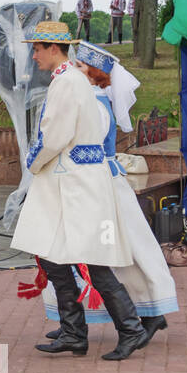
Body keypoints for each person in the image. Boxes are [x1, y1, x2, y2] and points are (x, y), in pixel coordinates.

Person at [11, 22, 150, 361]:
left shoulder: (66, 83)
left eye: (37, 48)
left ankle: (130, 329)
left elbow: (53, 136)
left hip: (77, 183)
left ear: (53, 48)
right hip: (70, 181)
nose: (34, 55)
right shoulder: (69, 80)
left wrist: (32, 162)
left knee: (93, 261)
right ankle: (74, 332)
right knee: (53, 255)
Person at [37, 42, 177, 340]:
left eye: (80, 66)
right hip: (98, 181)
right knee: (105, 252)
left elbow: (88, 146)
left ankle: (147, 312)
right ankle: (78, 323)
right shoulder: (92, 99)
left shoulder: (96, 104)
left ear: (93, 73)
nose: (73, 69)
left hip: (103, 185)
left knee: (122, 252)